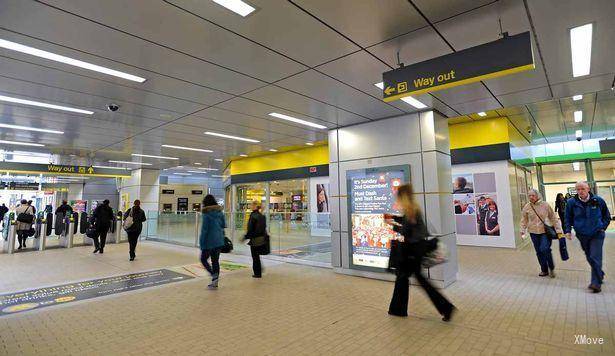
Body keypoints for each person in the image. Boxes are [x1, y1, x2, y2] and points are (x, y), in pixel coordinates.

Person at [385, 183, 456, 321]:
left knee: (406, 278)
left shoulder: (411, 210)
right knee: (407, 279)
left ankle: (445, 308)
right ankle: (398, 309)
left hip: (411, 253)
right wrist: (394, 219)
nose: (397, 199)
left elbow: (407, 231)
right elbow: (408, 225)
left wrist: (393, 226)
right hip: (414, 252)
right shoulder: (413, 209)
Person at [564, 181, 611, 293]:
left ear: (588, 189)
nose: (580, 191)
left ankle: (596, 284)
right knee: (589, 256)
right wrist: (568, 231)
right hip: (582, 234)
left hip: (597, 234)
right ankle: (599, 273)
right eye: (578, 189)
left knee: (595, 256)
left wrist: (602, 227)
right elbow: (567, 217)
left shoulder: (598, 200)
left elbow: (606, 216)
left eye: (583, 189)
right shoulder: (571, 202)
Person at [521, 189, 563, 278]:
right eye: (529, 196)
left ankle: (551, 267)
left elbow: (553, 218)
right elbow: (524, 219)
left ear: (538, 196)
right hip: (533, 232)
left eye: (533, 195)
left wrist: (558, 230)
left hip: (545, 232)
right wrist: (522, 229)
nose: (531, 197)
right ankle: (544, 270)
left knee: (544, 249)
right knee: (539, 252)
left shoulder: (545, 205)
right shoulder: (527, 207)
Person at [199, 194, 226, 289]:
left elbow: (205, 230)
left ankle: (213, 275)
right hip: (219, 241)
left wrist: (202, 243)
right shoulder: (220, 213)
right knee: (215, 261)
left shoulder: (206, 214)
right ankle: (215, 282)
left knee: (203, 259)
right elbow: (223, 225)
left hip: (209, 242)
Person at [244, 201, 268, 278]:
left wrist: (245, 237)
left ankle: (257, 273)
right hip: (261, 238)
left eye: (251, 204)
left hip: (255, 239)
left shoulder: (253, 216)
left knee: (255, 257)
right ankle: (259, 269)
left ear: (255, 206)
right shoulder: (261, 215)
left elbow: (251, 229)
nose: (250, 206)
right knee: (257, 256)